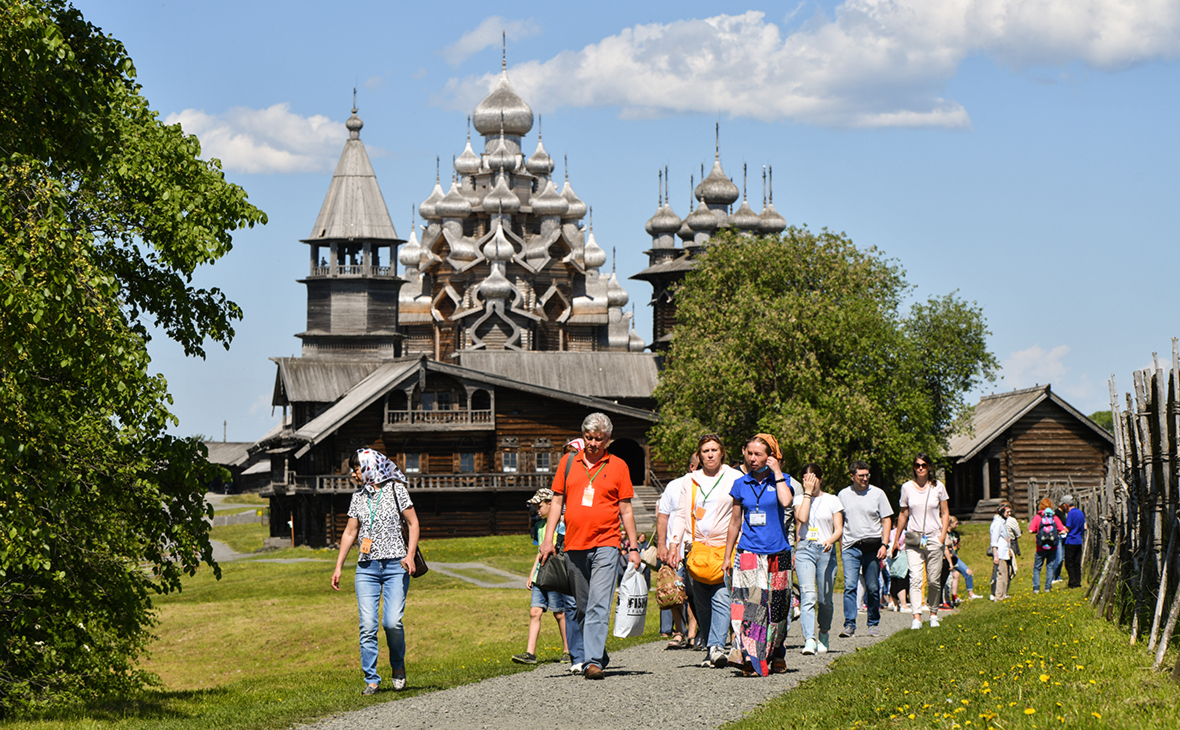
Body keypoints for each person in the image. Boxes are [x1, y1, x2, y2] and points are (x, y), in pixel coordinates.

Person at [539, 414, 640, 681]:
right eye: (589, 438)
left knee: (598, 604)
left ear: (608, 439)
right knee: (582, 606)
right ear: (582, 436)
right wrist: (548, 540)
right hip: (574, 544)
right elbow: (557, 502)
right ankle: (599, 653)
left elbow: (626, 509)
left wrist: (633, 547)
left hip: (607, 543)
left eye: (599, 439)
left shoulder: (618, 466)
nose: (593, 443)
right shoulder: (568, 462)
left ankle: (592, 661)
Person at [331, 448, 419, 695]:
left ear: (369, 467)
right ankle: (371, 680)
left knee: (392, 623)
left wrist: (410, 555)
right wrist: (338, 566)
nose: (354, 473)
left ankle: (398, 667)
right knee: (367, 625)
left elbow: (413, 523)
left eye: (356, 468)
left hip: (395, 566)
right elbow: (350, 532)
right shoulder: (358, 496)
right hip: (366, 568)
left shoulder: (396, 490)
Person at [668, 434, 744, 668]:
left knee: (722, 597)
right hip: (696, 547)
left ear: (722, 453)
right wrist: (674, 544)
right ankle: (711, 642)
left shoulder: (734, 477)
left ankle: (716, 647)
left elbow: (740, 513)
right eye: (705, 451)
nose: (710, 455)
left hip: (725, 546)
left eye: (714, 450)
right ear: (699, 456)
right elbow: (681, 514)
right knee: (700, 600)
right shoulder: (690, 480)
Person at [724, 434, 794, 676]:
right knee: (750, 607)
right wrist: (727, 555)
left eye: (758, 454)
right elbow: (734, 522)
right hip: (749, 552)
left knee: (778, 608)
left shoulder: (781, 481)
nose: (752, 459)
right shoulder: (740, 484)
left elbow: (786, 502)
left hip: (779, 553)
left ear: (770, 457)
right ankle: (751, 658)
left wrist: (777, 473)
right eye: (749, 453)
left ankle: (776, 654)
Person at [513, 489, 570, 665]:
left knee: (559, 613)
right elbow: (539, 553)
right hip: (540, 575)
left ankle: (568, 650)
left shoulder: (562, 524)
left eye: (540, 505)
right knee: (534, 612)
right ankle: (530, 653)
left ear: (551, 504)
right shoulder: (539, 527)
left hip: (555, 575)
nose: (536, 509)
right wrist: (532, 575)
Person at [893, 453, 949, 630]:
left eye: (924, 465)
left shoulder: (938, 487)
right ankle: (916, 617)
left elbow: (945, 512)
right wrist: (896, 540)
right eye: (917, 465)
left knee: (933, 580)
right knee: (915, 578)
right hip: (914, 538)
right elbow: (903, 514)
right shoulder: (907, 487)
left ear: (929, 467)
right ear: (914, 468)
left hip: (933, 536)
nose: (920, 468)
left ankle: (933, 613)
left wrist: (942, 536)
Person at [838, 461, 893, 638]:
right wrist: (841, 544)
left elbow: (886, 520)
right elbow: (839, 521)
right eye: (861, 476)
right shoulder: (843, 495)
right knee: (850, 586)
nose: (865, 479)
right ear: (852, 476)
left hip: (873, 547)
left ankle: (873, 623)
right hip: (851, 547)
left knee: (872, 587)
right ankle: (849, 625)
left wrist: (884, 544)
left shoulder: (878, 493)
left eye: (867, 475)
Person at [793, 463, 844, 655]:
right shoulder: (799, 499)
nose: (810, 482)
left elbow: (838, 528)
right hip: (806, 548)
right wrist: (807, 493)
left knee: (825, 599)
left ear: (821, 479)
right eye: (806, 479)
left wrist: (830, 540)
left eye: (813, 478)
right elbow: (802, 519)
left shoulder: (832, 500)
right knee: (808, 596)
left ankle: (823, 633)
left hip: (825, 549)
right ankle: (809, 640)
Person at [656, 453, 700, 649]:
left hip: (699, 549)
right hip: (675, 549)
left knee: (695, 593)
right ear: (692, 467)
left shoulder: (708, 487)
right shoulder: (674, 486)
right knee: (673, 591)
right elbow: (663, 517)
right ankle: (678, 631)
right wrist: (662, 545)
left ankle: (693, 631)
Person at [1029, 498, 1066, 594]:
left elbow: (1030, 530)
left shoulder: (1037, 517)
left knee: (1037, 568)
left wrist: (1038, 532)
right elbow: (1062, 530)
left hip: (1041, 547)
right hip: (1052, 546)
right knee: (1049, 567)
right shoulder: (1054, 518)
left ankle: (1036, 589)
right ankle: (1047, 588)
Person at [943, 516, 980, 602]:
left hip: (955, 558)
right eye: (955, 523)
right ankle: (952, 598)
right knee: (955, 576)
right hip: (947, 559)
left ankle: (971, 594)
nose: (957, 525)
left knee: (968, 572)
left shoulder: (956, 534)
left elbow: (958, 545)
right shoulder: (945, 533)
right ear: (950, 524)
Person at [1062, 495, 1087, 588]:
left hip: (1070, 541)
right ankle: (1078, 581)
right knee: (1077, 562)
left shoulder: (1070, 514)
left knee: (1069, 563)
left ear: (1066, 504)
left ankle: (1072, 582)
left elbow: (1067, 529)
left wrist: (1060, 531)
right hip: (1078, 541)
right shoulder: (1080, 512)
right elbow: (1085, 526)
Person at [990, 502, 1012, 600]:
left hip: (1004, 553)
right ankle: (998, 596)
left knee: (1005, 575)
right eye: (1008, 512)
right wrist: (996, 555)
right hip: (1000, 554)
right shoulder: (997, 524)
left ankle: (1003, 594)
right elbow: (994, 541)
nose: (1009, 514)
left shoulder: (1002, 522)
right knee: (1000, 575)